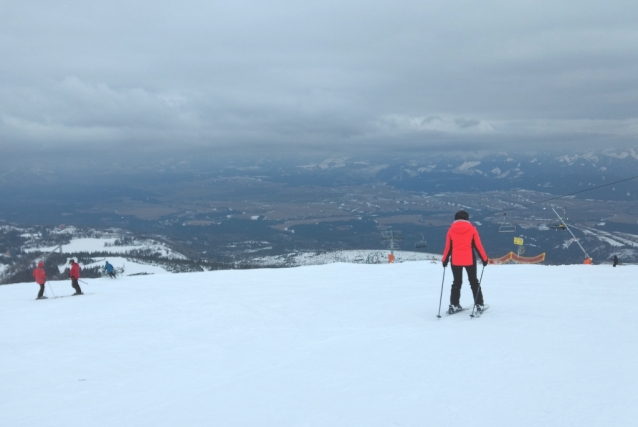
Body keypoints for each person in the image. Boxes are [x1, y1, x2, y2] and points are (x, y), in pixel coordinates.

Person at [442, 210, 489, 314]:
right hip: (469, 260)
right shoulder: (472, 230)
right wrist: (484, 259)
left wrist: (444, 260)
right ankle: (479, 304)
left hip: (455, 260)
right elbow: (478, 246)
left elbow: (448, 248)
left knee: (456, 282)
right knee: (474, 282)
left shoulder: (451, 230)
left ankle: (454, 305)